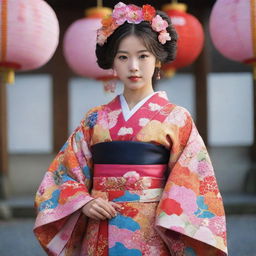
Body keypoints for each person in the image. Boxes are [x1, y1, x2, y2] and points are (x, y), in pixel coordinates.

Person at [33, 2, 228, 255]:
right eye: (123, 57)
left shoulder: (176, 118)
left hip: (151, 232)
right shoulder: (95, 119)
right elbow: (63, 174)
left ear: (158, 59)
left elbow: (194, 181)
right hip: (100, 228)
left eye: (143, 56)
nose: (133, 66)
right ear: (113, 62)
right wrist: (83, 201)